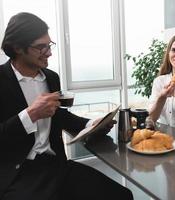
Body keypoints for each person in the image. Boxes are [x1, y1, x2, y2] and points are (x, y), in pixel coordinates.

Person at [0, 12, 133, 200]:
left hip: (56, 166)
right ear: (17, 48)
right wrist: (30, 115)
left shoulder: (51, 77)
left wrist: (92, 125)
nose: (49, 52)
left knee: (122, 195)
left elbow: (59, 116)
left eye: (49, 45)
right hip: (18, 174)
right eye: (41, 47)